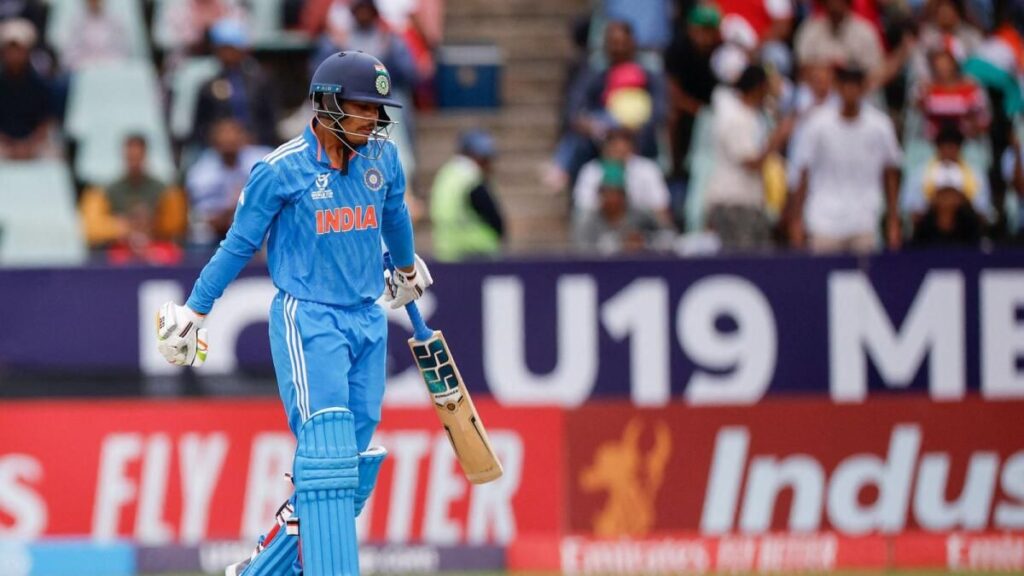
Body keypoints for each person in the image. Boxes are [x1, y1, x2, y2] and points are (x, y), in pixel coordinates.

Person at [155, 51, 430, 576]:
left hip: (368, 317)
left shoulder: (383, 157)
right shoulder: (280, 169)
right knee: (325, 451)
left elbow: (395, 216)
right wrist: (195, 309)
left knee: (351, 466)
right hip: (309, 318)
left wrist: (404, 265)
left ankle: (263, 568)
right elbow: (238, 244)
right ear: (326, 104)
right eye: (360, 107)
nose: (372, 119)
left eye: (377, 110)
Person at [787, 64, 903, 254]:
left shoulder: (880, 125)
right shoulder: (817, 124)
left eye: (855, 85)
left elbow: (890, 172)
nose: (851, 91)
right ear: (838, 88)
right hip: (823, 220)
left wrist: (893, 219)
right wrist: (796, 219)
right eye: (846, 85)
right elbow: (803, 171)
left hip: (865, 220)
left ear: (863, 88)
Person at [705, 64, 789, 251]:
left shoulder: (751, 115)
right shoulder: (736, 118)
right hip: (734, 202)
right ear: (759, 87)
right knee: (742, 260)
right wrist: (778, 138)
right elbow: (751, 163)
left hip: (748, 201)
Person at [79, 134, 187, 264]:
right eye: (130, 157)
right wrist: (124, 227)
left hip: (156, 246)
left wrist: (151, 225)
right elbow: (92, 229)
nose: (134, 162)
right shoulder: (108, 190)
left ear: (145, 156)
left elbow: (176, 225)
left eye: (138, 157)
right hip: (118, 248)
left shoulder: (164, 190)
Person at [192, 19, 279, 147]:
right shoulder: (207, 85)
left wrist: (251, 138)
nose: (227, 54)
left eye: (231, 49)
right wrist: (218, 137)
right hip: (217, 151)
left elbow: (271, 122)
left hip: (256, 147)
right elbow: (199, 128)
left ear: (242, 50)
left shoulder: (261, 81)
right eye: (222, 49)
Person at [186, 118, 271, 245]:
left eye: (233, 133)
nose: (229, 139)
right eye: (223, 134)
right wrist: (231, 210)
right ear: (213, 141)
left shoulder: (263, 159)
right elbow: (202, 214)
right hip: (217, 231)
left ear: (244, 137)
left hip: (259, 222)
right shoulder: (201, 173)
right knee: (201, 234)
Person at [573, 126, 672, 227]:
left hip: (640, 224)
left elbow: (661, 207)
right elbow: (583, 206)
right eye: (614, 148)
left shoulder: (648, 169)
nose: (619, 154)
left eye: (623, 149)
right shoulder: (591, 170)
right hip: (601, 224)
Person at [430, 129, 505, 261]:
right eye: (488, 159)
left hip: (446, 252)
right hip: (475, 252)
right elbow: (493, 218)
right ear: (479, 157)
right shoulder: (471, 178)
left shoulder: (446, 173)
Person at [573, 165, 662, 255]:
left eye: (615, 193)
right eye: (606, 193)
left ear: (624, 195)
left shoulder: (641, 216)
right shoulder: (589, 221)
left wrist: (643, 241)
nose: (610, 198)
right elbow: (581, 252)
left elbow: (663, 238)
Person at [0, 18, 55, 160]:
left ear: (27, 51)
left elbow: (45, 122)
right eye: (10, 50)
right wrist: (10, 146)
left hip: (34, 143)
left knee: (53, 157)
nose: (14, 55)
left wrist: (29, 146)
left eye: (18, 50)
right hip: (4, 144)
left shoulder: (41, 85)